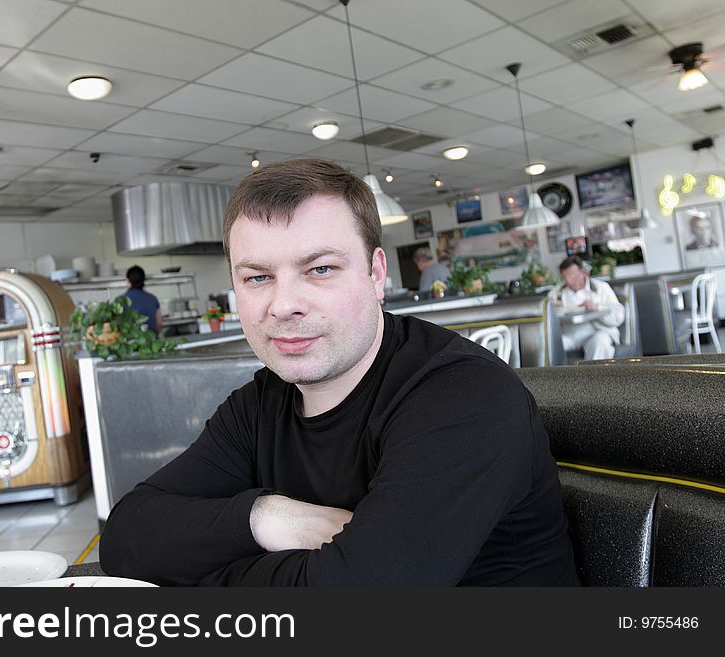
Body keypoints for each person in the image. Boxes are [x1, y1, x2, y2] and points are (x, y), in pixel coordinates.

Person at [100, 158, 579, 586]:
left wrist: (203, 567)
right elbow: (126, 537)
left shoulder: (463, 395)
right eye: (257, 277)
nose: (283, 305)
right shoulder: (262, 403)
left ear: (375, 273)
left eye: (320, 269)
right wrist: (267, 518)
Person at [548, 255, 625, 361]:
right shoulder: (557, 292)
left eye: (572, 276)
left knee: (600, 341)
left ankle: (593, 377)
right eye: (565, 277)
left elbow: (618, 315)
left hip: (596, 332)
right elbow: (548, 313)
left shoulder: (601, 288)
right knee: (547, 344)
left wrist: (597, 307)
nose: (569, 281)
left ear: (583, 272)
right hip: (569, 335)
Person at [120, 265, 163, 336]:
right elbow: (159, 323)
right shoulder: (152, 299)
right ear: (143, 280)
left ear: (128, 280)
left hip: (129, 345)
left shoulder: (120, 300)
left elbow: (116, 326)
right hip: (152, 343)